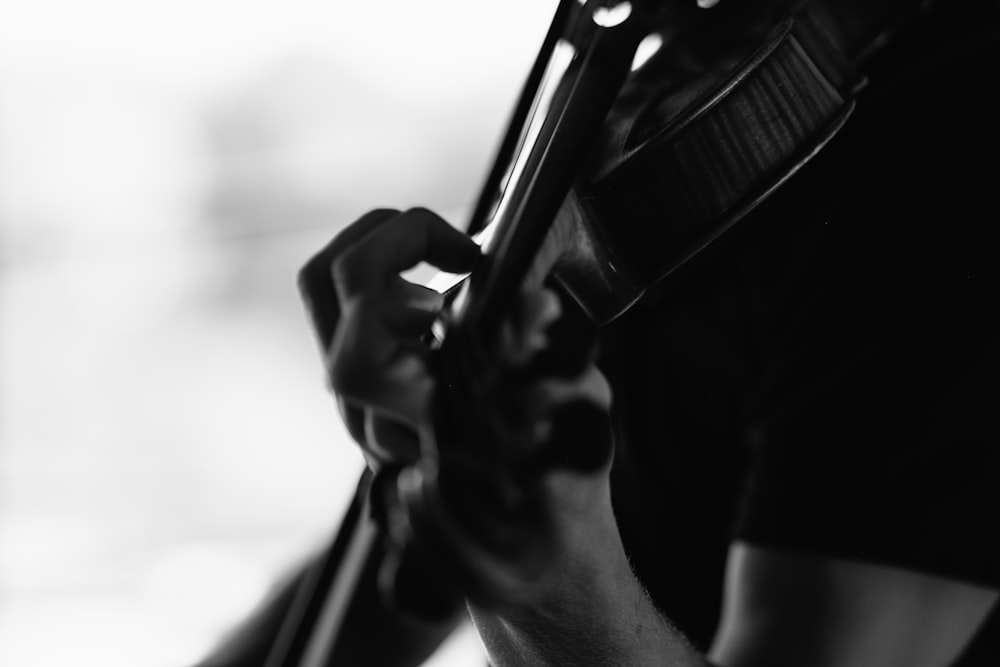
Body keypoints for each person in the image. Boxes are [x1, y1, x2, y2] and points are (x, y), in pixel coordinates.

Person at [195, 0, 1000, 665]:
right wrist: (421, 453)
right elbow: (388, 587)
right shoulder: (678, 69)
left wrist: (553, 597)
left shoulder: (959, 139)